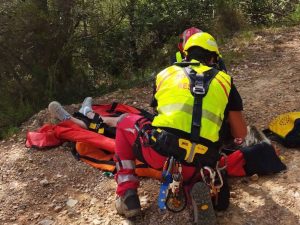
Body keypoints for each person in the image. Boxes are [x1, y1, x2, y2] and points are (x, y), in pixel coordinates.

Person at [113, 32, 247, 224]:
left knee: (124, 121)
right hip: (202, 162)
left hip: (163, 158)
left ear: (185, 55)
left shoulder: (165, 74)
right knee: (198, 160)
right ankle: (194, 187)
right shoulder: (225, 81)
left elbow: (159, 115)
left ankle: (127, 195)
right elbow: (240, 133)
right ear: (213, 58)